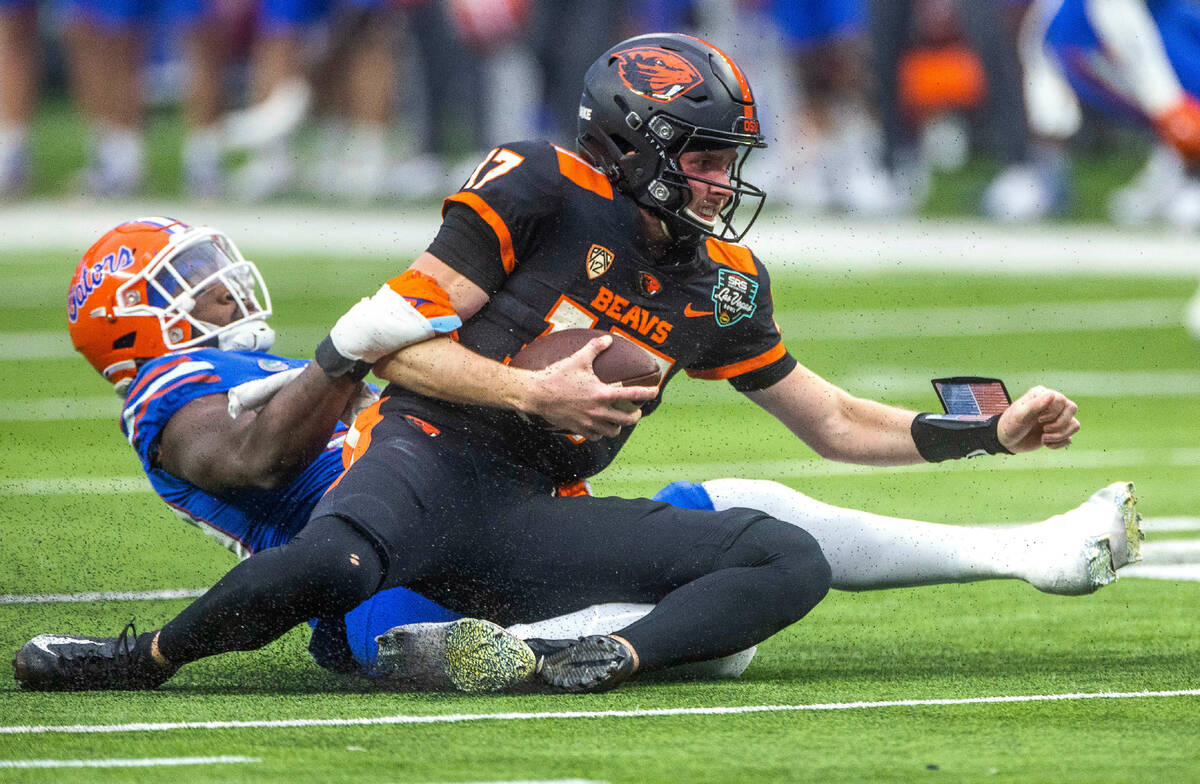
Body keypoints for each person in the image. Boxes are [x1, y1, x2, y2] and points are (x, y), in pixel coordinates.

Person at [16, 34, 1091, 696]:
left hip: (524, 504)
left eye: (729, 160)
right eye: (704, 157)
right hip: (427, 461)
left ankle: (611, 657)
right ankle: (141, 655)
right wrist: (531, 388)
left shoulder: (722, 279)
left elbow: (835, 421)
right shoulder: (536, 187)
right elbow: (401, 344)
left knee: (783, 558)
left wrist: (988, 432)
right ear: (633, 142)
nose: (722, 182)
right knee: (339, 564)